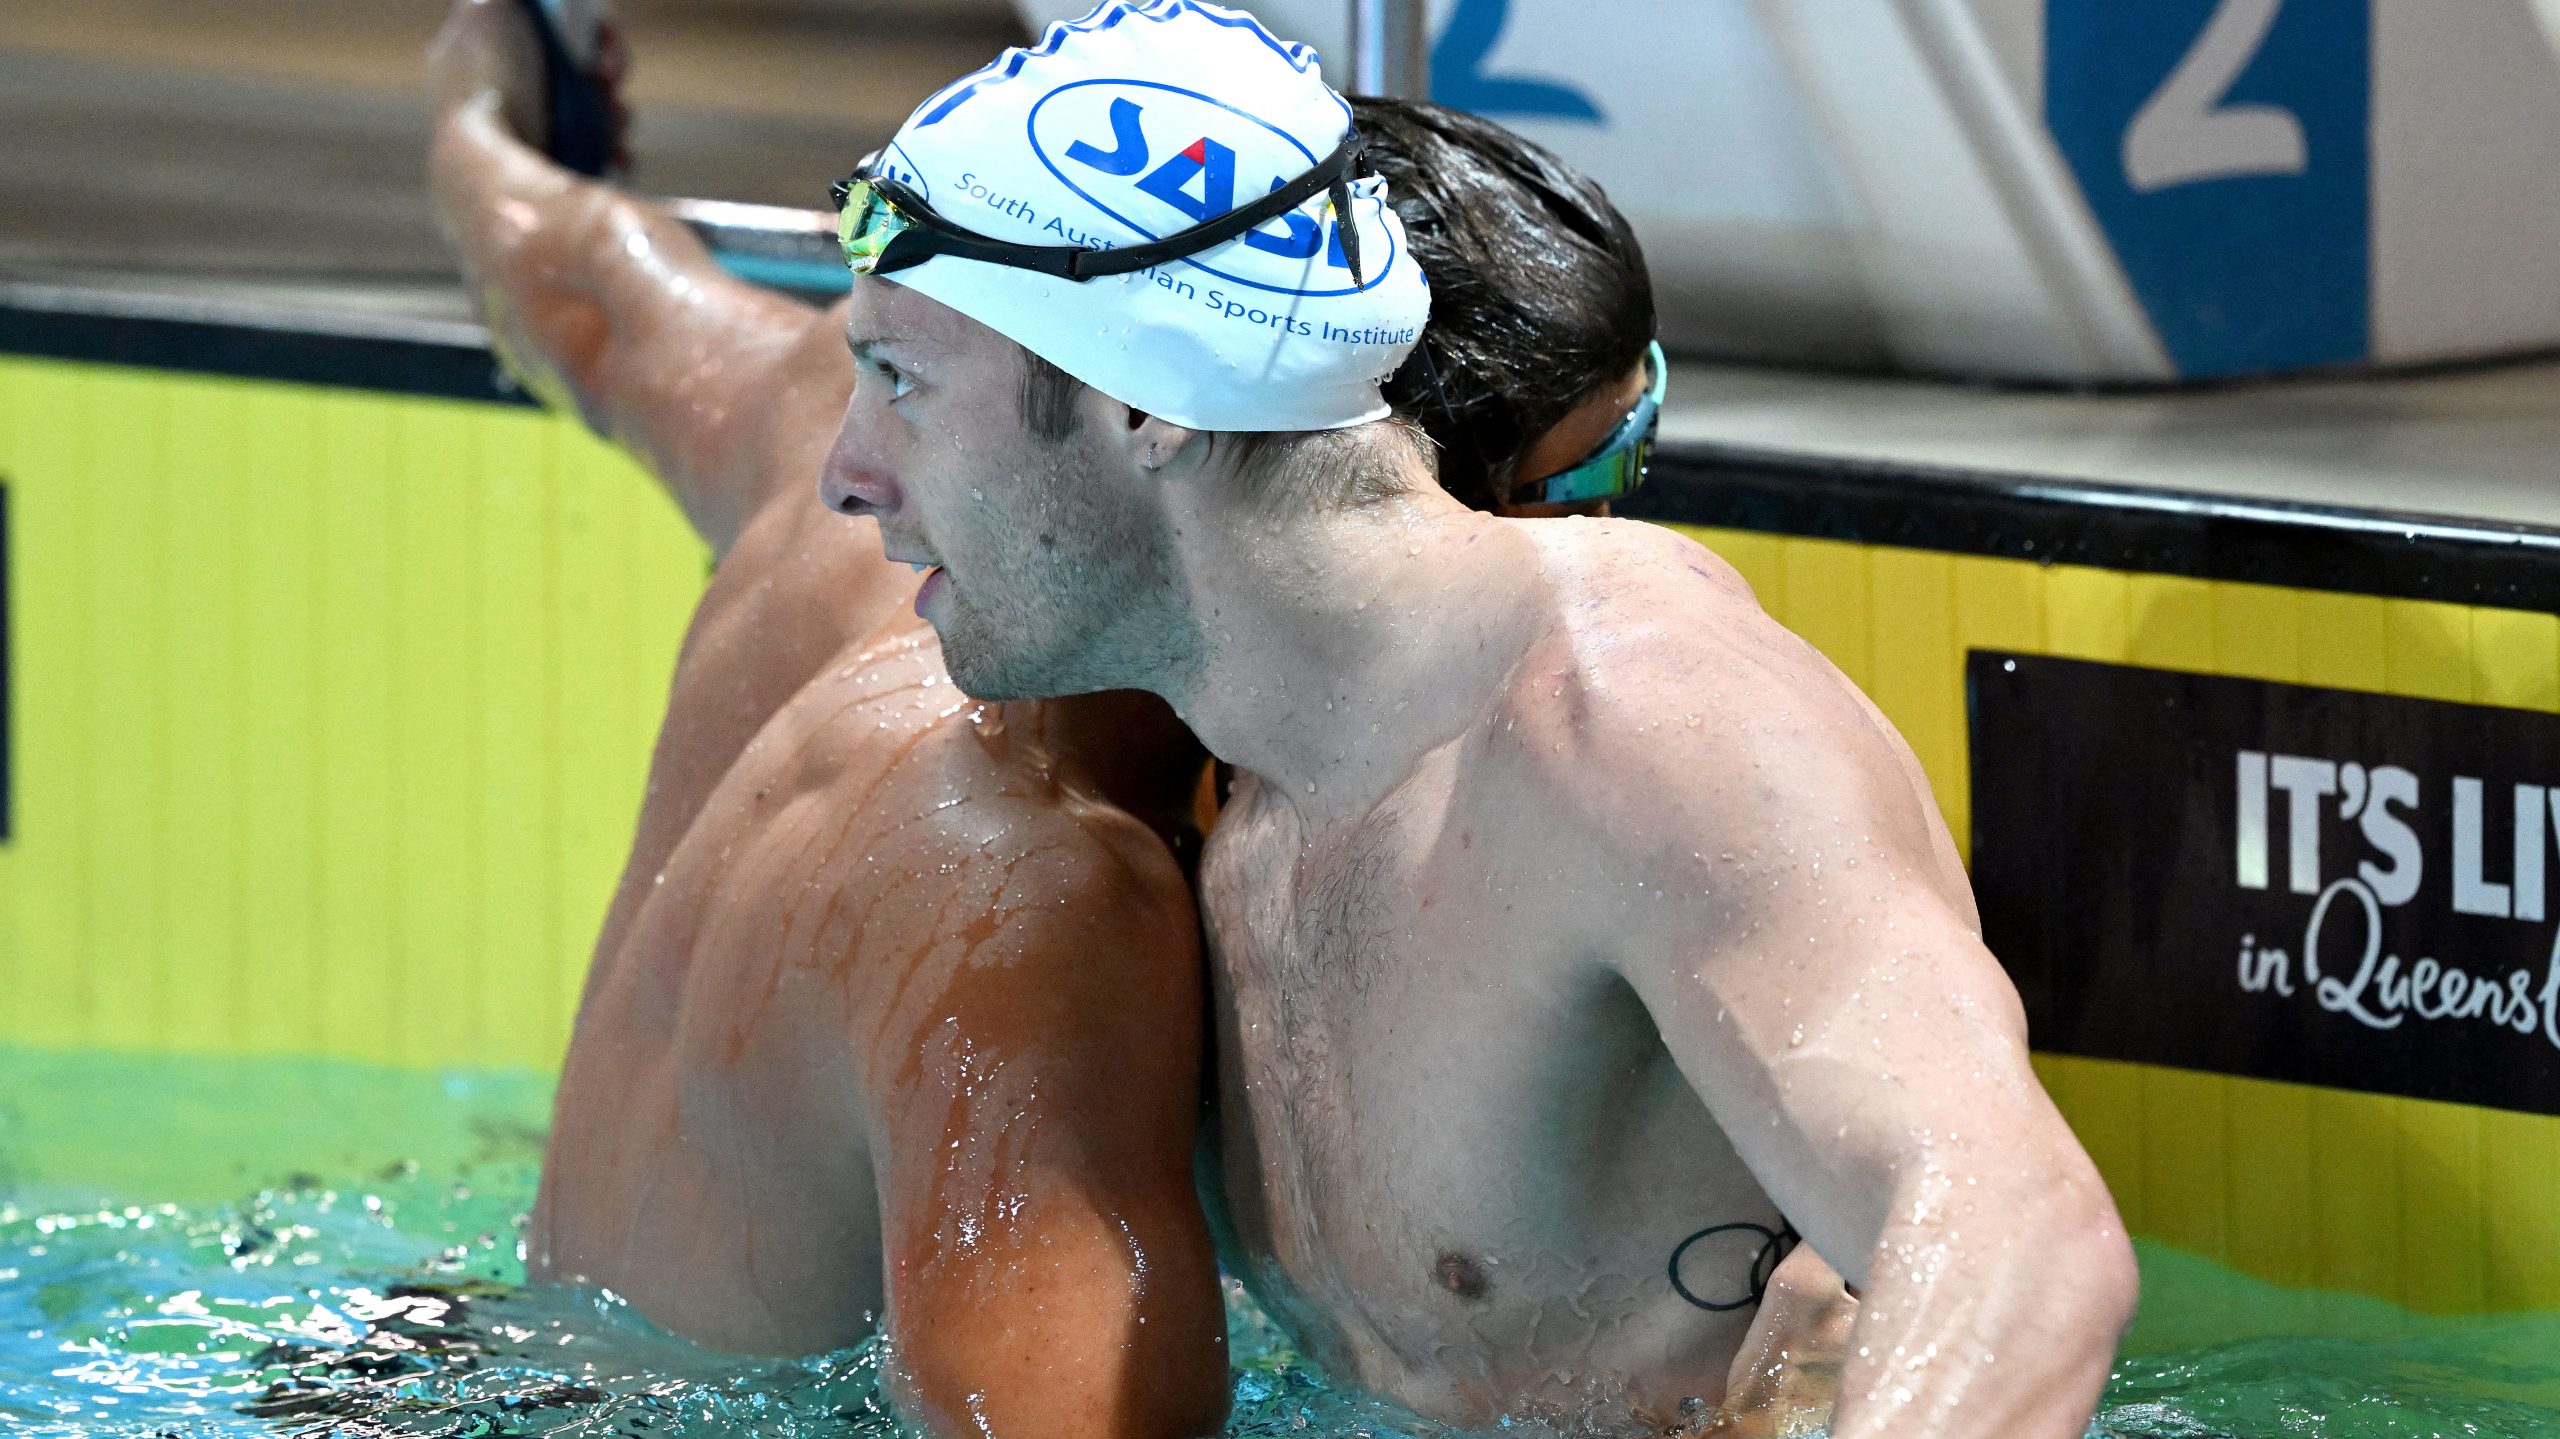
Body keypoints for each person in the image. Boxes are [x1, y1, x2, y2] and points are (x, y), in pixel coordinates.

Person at [428, 2, 1840, 1435]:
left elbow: (589, 296)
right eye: (1574, 495)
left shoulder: (885, 451)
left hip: (443, 1354)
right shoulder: (1040, 907)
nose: (1568, 576)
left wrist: (479, 124)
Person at [814, 7, 2140, 1439]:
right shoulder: (1246, 782)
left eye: (899, 380)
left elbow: (2014, 1233)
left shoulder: (1632, 723)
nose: (844, 474)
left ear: (1147, 405)